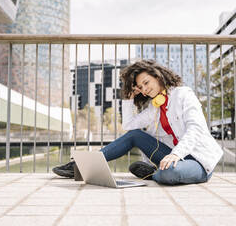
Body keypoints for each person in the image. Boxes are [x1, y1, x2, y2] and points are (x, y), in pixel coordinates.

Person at [53, 60, 223, 185]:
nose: (144, 89)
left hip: (198, 161)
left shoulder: (183, 94)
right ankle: (80, 166)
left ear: (158, 76)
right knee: (135, 135)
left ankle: (153, 174)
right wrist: (127, 100)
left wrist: (176, 154)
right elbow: (129, 127)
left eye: (146, 82)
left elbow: (195, 128)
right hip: (172, 157)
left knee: (170, 173)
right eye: (140, 87)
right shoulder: (154, 108)